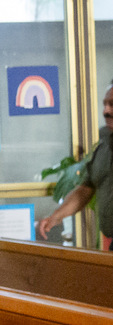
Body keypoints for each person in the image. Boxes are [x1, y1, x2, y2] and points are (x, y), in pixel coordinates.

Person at [39, 83, 113, 250]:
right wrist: (56, 217)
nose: (106, 111)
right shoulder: (103, 147)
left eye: (112, 104)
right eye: (105, 104)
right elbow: (85, 189)